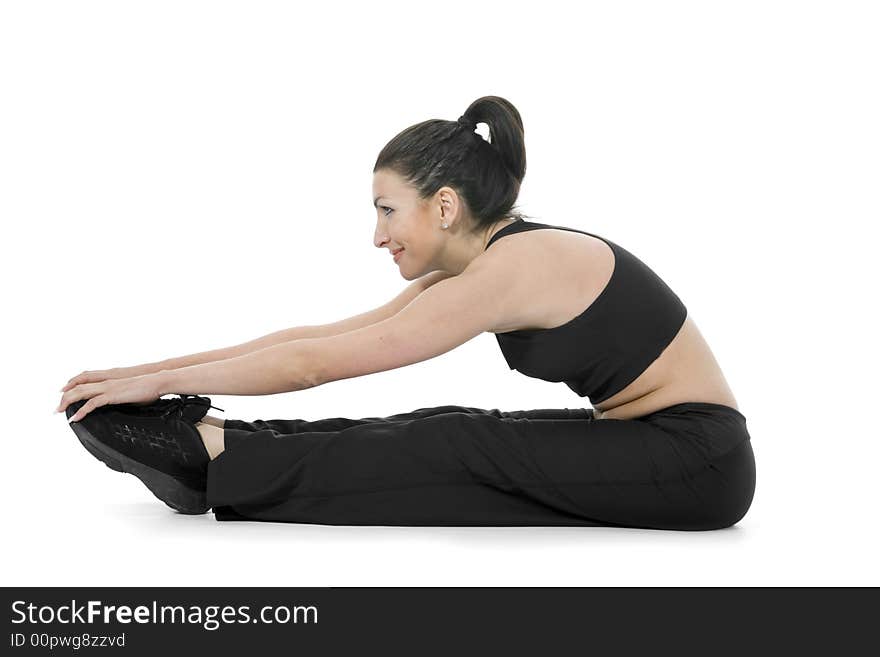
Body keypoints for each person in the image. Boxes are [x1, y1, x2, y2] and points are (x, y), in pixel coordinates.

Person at [58, 95, 755, 531]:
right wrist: (150, 373)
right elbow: (325, 336)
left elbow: (312, 367)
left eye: (387, 209)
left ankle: (217, 462)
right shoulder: (486, 261)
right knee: (447, 427)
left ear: (444, 205)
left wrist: (149, 388)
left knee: (457, 448)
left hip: (696, 460)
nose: (378, 234)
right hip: (660, 445)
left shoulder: (508, 269)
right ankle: (219, 439)